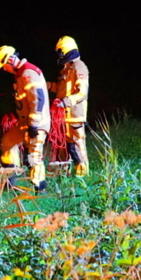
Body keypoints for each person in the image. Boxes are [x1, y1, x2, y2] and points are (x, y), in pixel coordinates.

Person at [0, 45, 51, 192]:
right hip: (24, 122)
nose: (4, 69)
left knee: (34, 156)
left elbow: (38, 100)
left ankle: (40, 188)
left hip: (36, 123)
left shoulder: (28, 73)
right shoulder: (20, 74)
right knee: (7, 143)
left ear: (11, 60)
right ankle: (11, 180)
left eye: (4, 66)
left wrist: (34, 124)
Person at [48, 36, 90, 176]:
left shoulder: (79, 67)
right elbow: (61, 90)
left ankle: (82, 175)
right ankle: (65, 174)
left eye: (60, 52)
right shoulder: (66, 70)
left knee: (77, 147)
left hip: (74, 116)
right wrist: (47, 85)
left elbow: (82, 93)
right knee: (65, 147)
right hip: (64, 117)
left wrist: (65, 102)